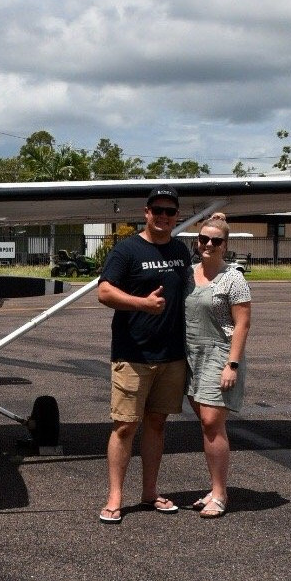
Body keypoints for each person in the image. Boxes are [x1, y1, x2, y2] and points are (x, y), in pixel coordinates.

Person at [95, 186, 192, 523]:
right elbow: (104, 292)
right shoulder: (127, 250)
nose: (163, 216)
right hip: (133, 354)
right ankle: (115, 497)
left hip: (172, 355)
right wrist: (142, 304)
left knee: (157, 424)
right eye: (157, 210)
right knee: (125, 426)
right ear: (146, 213)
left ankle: (150, 493)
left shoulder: (180, 251)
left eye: (170, 211)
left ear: (177, 216)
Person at [185, 212, 252, 519]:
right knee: (206, 424)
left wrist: (232, 364)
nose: (209, 245)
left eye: (216, 241)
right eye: (204, 239)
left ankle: (221, 493)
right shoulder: (188, 274)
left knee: (213, 422)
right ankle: (213, 489)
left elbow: (242, 324)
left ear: (225, 245)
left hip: (220, 352)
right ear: (197, 242)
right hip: (191, 354)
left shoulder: (234, 278)